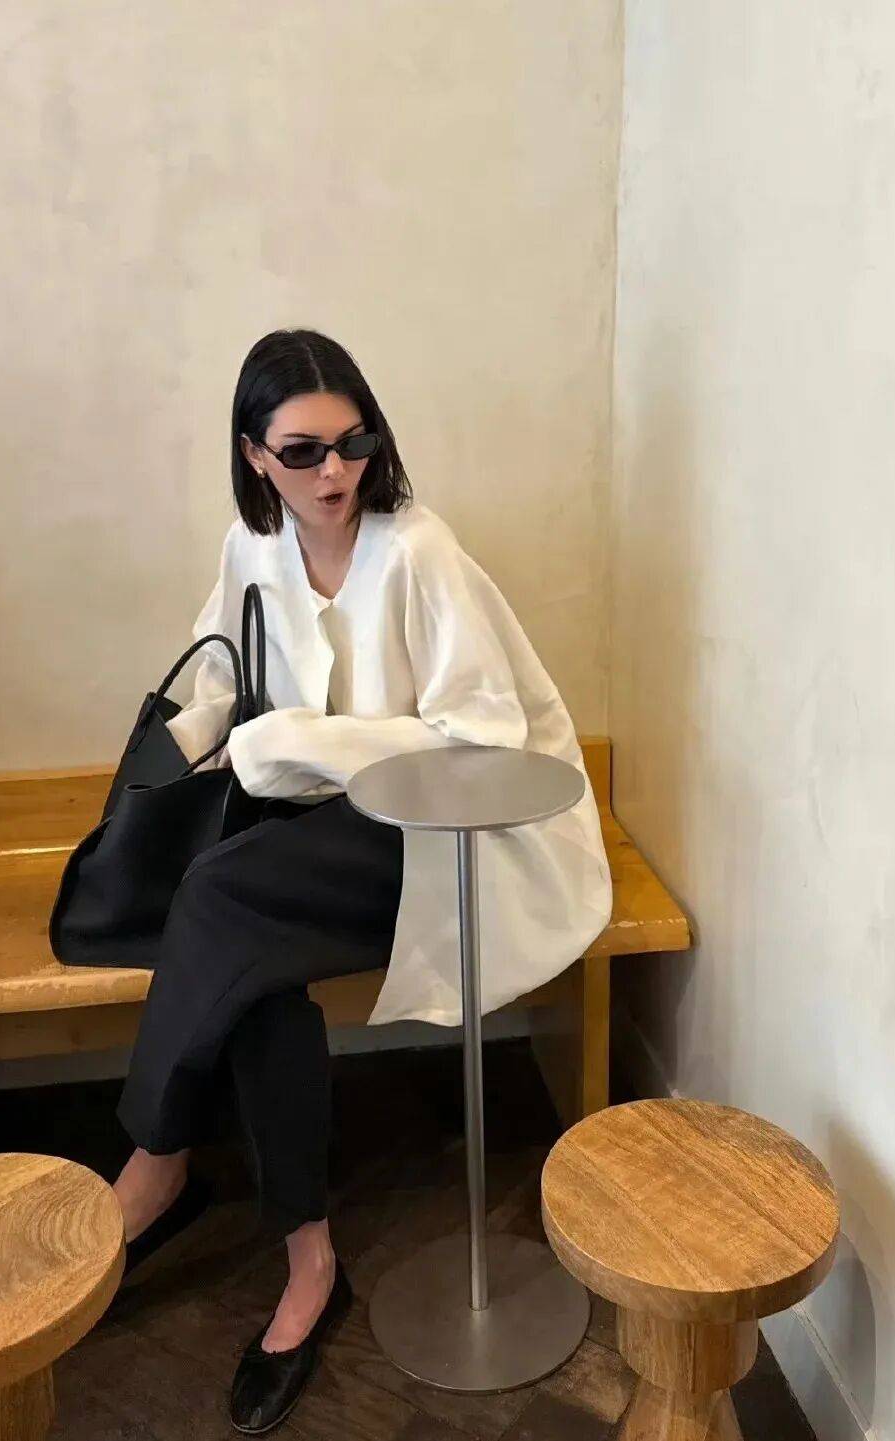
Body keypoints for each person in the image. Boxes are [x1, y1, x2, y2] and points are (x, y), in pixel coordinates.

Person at [111, 328, 613, 1434]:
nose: (334, 471)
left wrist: (294, 741)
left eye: (352, 442)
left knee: (221, 901)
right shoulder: (253, 545)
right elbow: (220, 664)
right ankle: (310, 1257)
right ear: (254, 454)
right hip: (323, 834)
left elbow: (483, 740)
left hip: (456, 832)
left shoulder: (418, 550)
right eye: (302, 451)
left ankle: (155, 1163)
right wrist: (188, 743)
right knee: (254, 974)